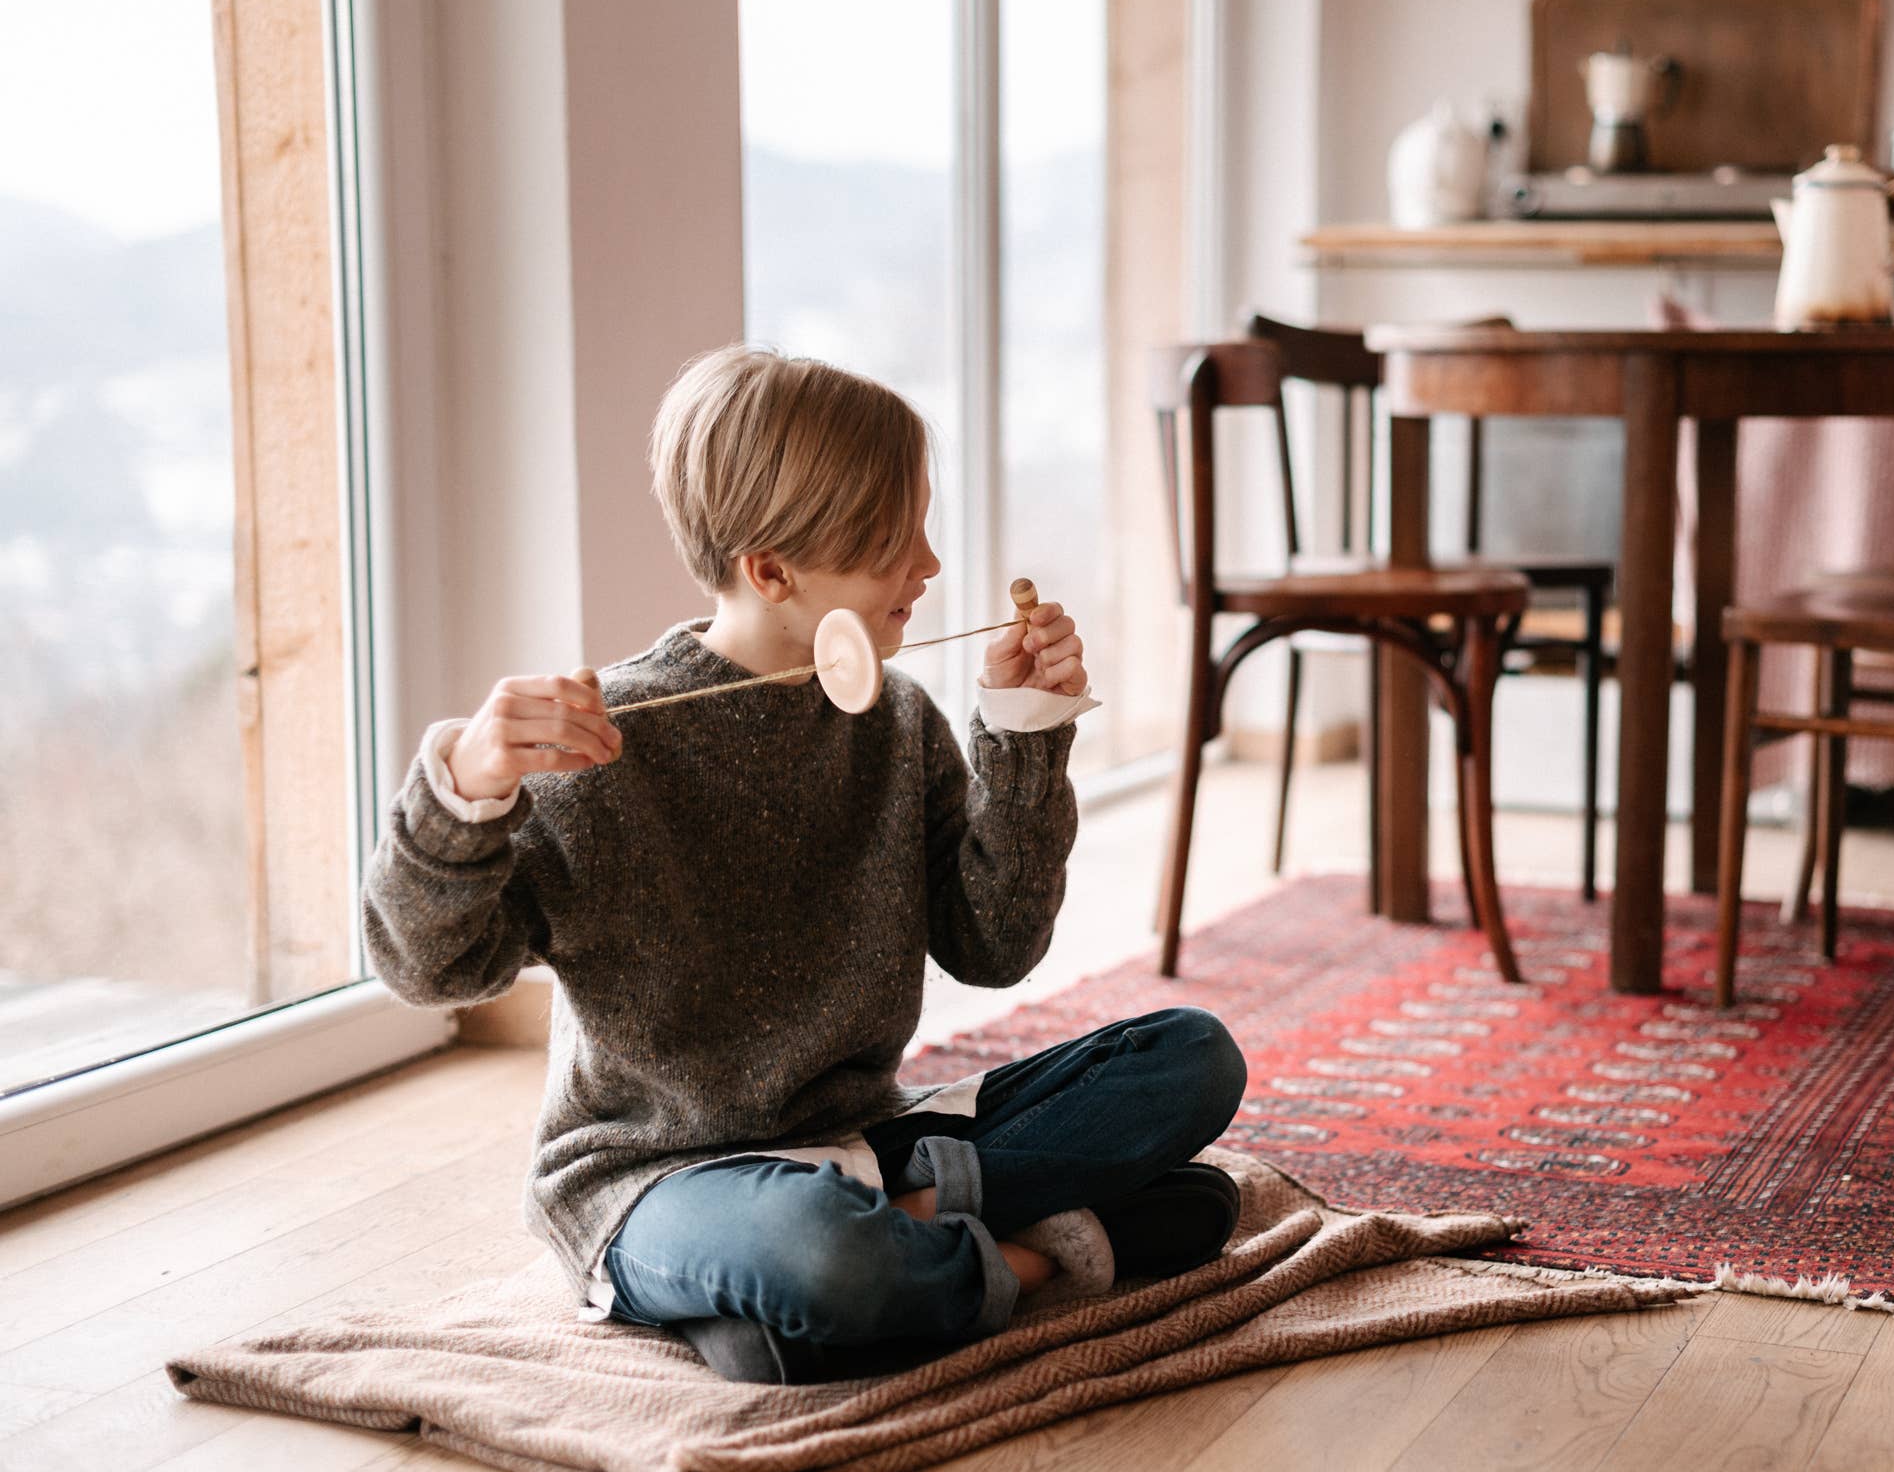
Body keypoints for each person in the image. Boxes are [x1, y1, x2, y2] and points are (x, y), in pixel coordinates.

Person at [362, 345, 1247, 1383]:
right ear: (771, 569)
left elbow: (995, 947)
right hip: (660, 1180)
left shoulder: (899, 722)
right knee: (830, 1254)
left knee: (1192, 1056)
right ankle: (1017, 1254)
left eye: (921, 523)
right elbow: (431, 971)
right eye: (890, 541)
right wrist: (461, 787)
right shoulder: (600, 746)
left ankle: (882, 1263)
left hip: (869, 1144)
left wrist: (1021, 735)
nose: (928, 564)